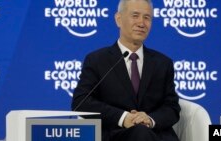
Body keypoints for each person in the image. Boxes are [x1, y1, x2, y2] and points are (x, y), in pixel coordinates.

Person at [71, 0, 181, 141]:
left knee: (143, 133)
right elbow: (81, 102)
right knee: (140, 133)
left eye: (147, 18)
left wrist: (149, 119)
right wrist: (124, 117)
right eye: (135, 15)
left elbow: (172, 108)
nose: (141, 23)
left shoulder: (162, 63)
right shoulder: (97, 60)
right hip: (115, 134)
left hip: (154, 135)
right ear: (118, 19)